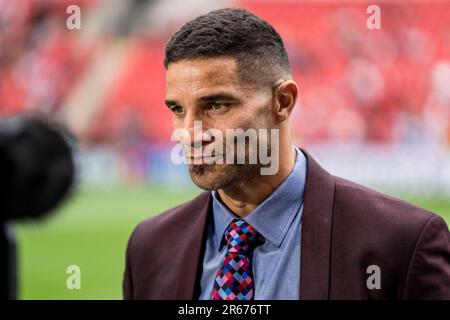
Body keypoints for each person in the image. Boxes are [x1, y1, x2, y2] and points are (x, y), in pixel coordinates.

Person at [123, 8, 450, 300]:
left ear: (283, 102)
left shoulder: (402, 244)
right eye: (178, 109)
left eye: (216, 105)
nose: (189, 133)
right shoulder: (149, 248)